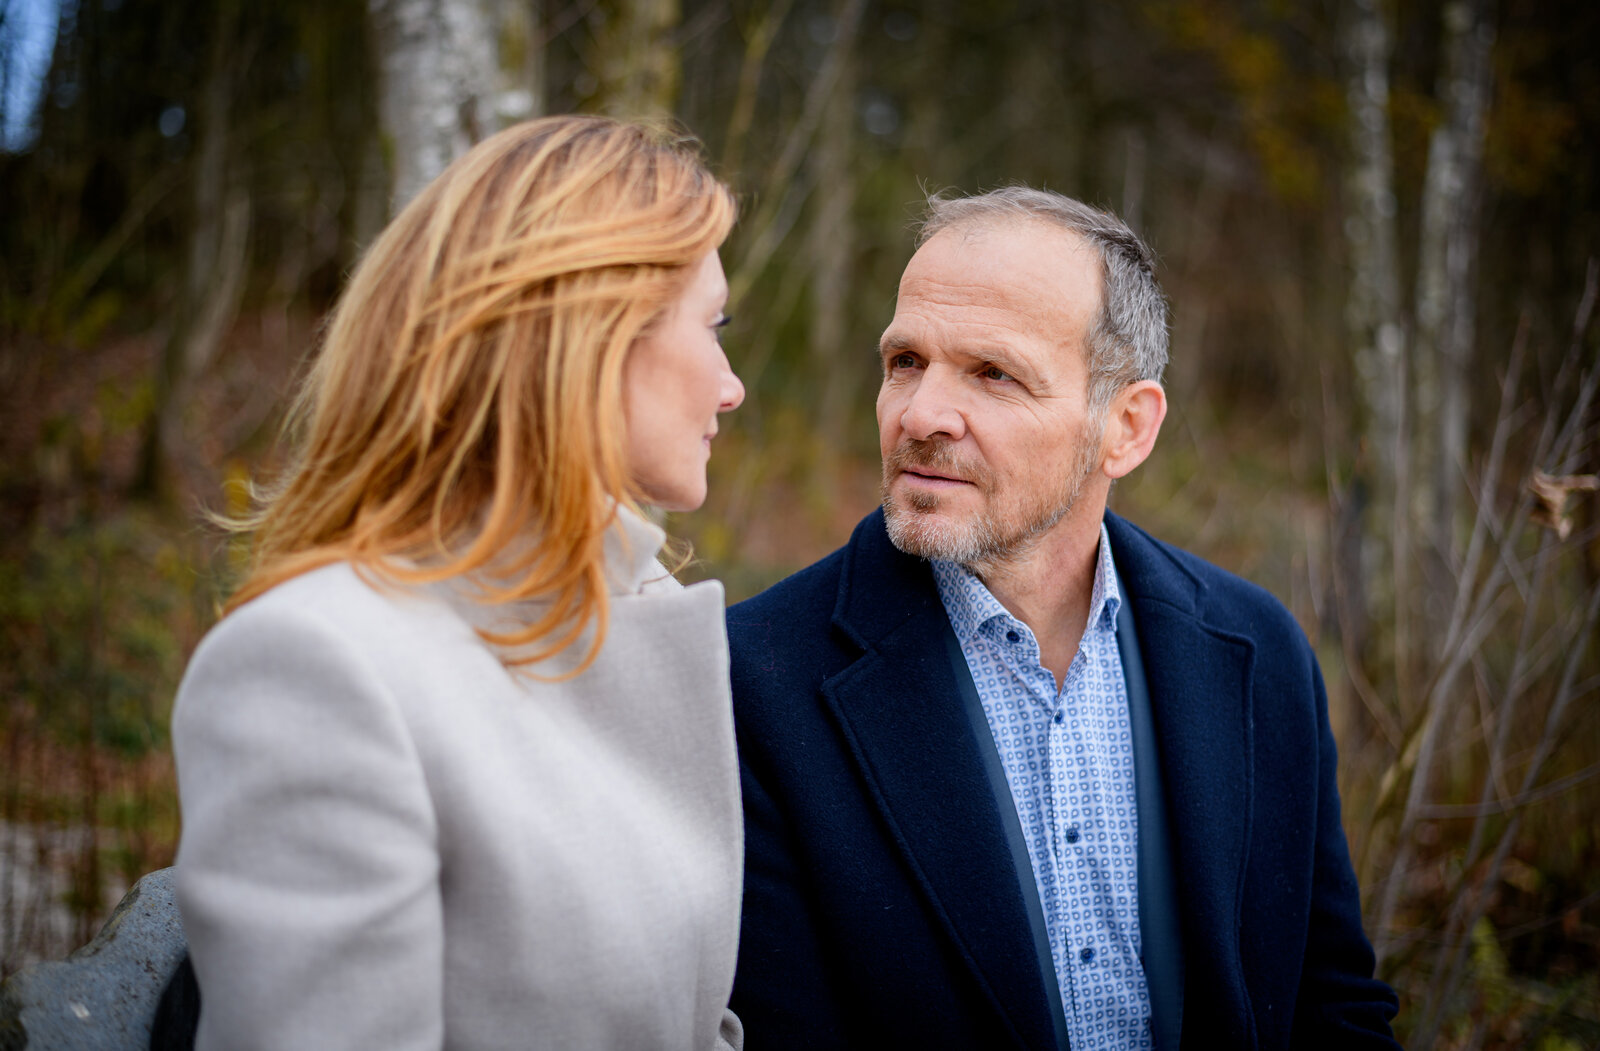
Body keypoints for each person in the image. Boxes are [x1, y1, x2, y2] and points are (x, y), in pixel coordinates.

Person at [726, 188, 1401, 1050]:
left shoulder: (1257, 649)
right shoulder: (756, 680)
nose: (921, 414)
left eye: (993, 373)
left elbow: (1331, 1001)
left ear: (1125, 427)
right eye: (905, 362)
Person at [170, 115, 747, 1050]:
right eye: (713, 325)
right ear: (590, 329)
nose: (732, 387)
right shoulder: (318, 664)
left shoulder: (627, 619)